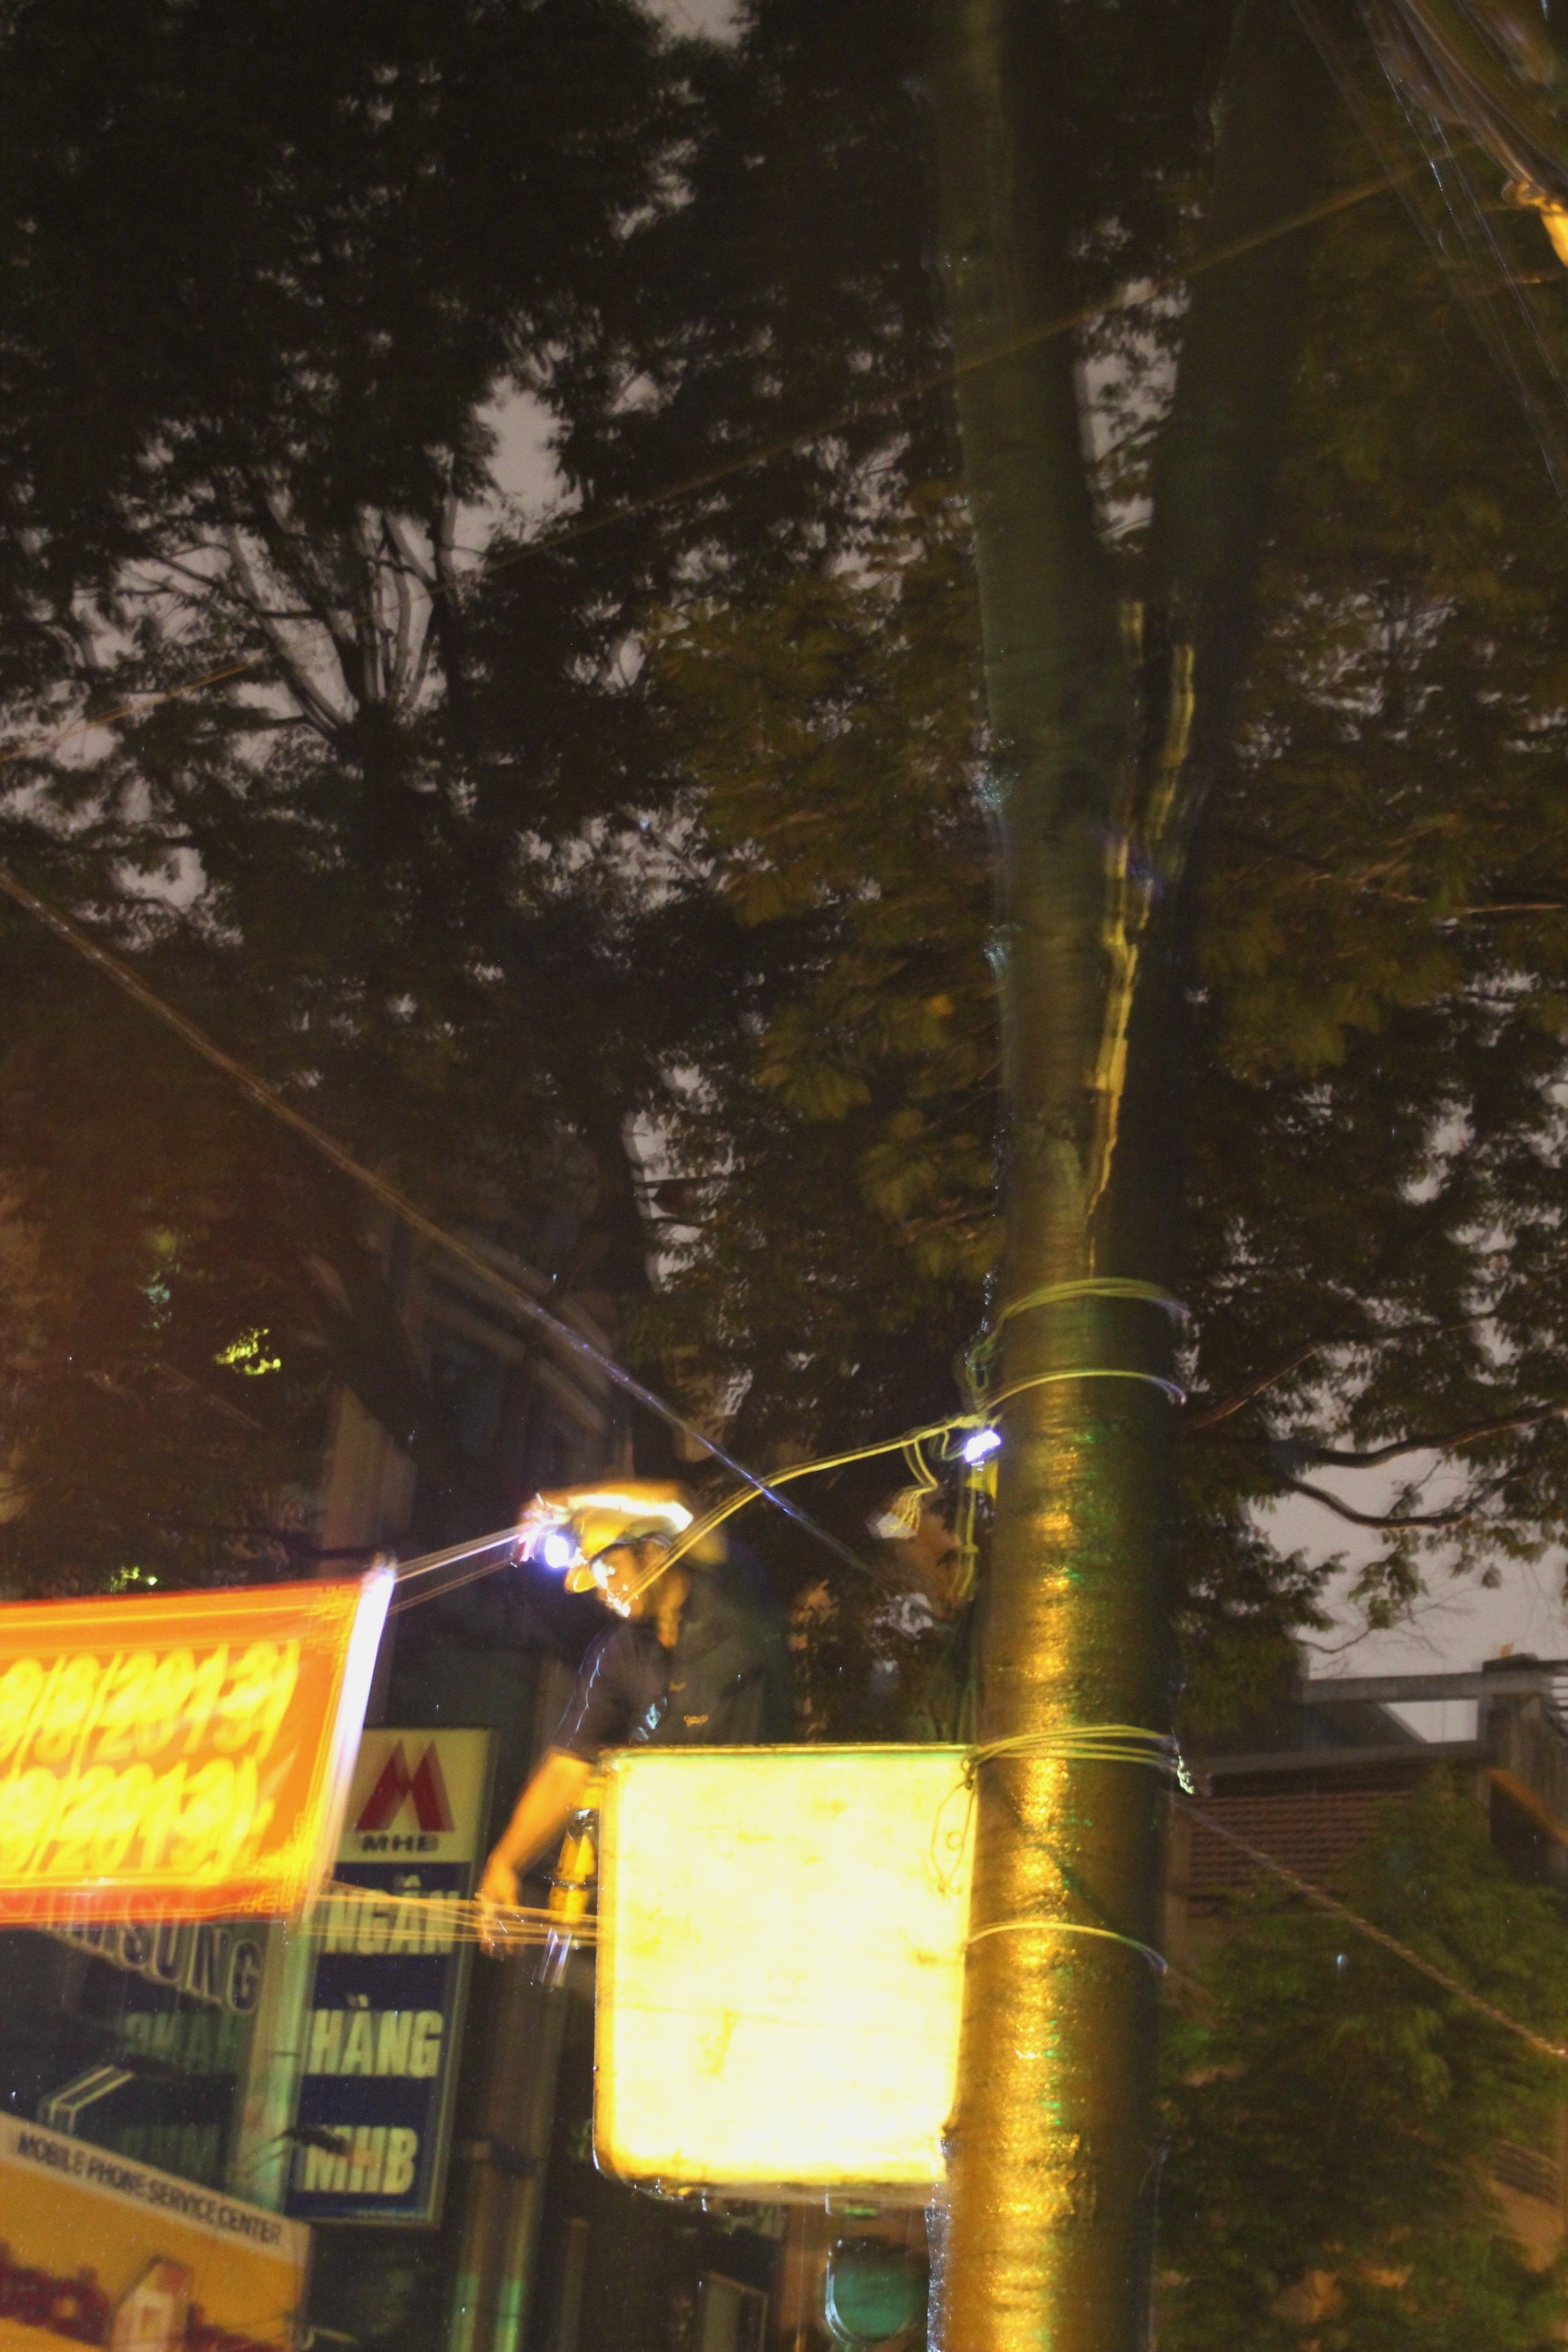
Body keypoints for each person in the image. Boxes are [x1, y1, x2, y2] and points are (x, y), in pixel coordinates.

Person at [475, 1480, 792, 1936]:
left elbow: (675, 1502)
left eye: (610, 1570)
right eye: (597, 1582)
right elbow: (569, 1765)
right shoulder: (619, 1653)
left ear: (655, 1554)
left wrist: (567, 1503)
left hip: (766, 1849)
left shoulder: (732, 1597)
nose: (604, 1592)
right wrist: (505, 1863)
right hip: (680, 1875)